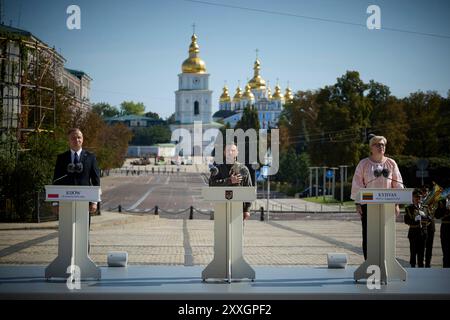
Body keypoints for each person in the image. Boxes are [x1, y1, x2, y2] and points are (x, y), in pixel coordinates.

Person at [350, 135, 404, 260]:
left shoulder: (391, 163)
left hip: (388, 205)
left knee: (386, 235)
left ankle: (386, 262)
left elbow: (397, 184)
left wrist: (396, 204)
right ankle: (369, 264)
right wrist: (358, 203)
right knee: (369, 236)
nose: (381, 147)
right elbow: (357, 184)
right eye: (378, 144)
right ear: (371, 148)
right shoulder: (363, 164)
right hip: (368, 206)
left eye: (383, 145)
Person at [52, 128, 101, 251]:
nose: (76, 140)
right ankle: (66, 256)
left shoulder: (90, 157)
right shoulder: (61, 158)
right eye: (73, 137)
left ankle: (85, 256)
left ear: (82, 139)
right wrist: (54, 202)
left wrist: (95, 202)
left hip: (84, 204)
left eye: (79, 137)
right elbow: (56, 181)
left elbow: (96, 181)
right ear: (69, 140)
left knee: (83, 232)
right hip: (65, 203)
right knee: (66, 232)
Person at [209, 143, 252, 220]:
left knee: (237, 231)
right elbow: (211, 185)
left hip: (238, 208)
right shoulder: (218, 169)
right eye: (228, 150)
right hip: (221, 207)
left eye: (233, 150)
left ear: (237, 152)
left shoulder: (243, 169)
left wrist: (247, 209)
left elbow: (248, 189)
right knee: (221, 231)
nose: (230, 153)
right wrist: (229, 181)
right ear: (224, 152)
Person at [404, 189, 431, 267]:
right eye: (416, 197)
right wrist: (415, 219)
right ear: (412, 198)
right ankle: (413, 268)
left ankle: (421, 268)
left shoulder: (425, 208)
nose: (418, 199)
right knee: (413, 253)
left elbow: (429, 220)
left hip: (423, 233)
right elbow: (406, 221)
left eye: (419, 197)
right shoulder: (409, 208)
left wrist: (424, 217)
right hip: (413, 234)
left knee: (421, 253)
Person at [421, 185, 435, 267]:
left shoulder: (432, 201)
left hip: (431, 227)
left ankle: (428, 264)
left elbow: (435, 213)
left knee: (429, 247)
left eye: (426, 191)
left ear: (428, 192)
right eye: (423, 191)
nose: (424, 193)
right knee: (422, 246)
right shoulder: (419, 200)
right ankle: (421, 263)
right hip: (422, 226)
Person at [435, 194, 450, 267]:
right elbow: (437, 215)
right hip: (445, 228)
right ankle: (445, 268)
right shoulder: (442, 202)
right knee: (446, 251)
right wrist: (443, 209)